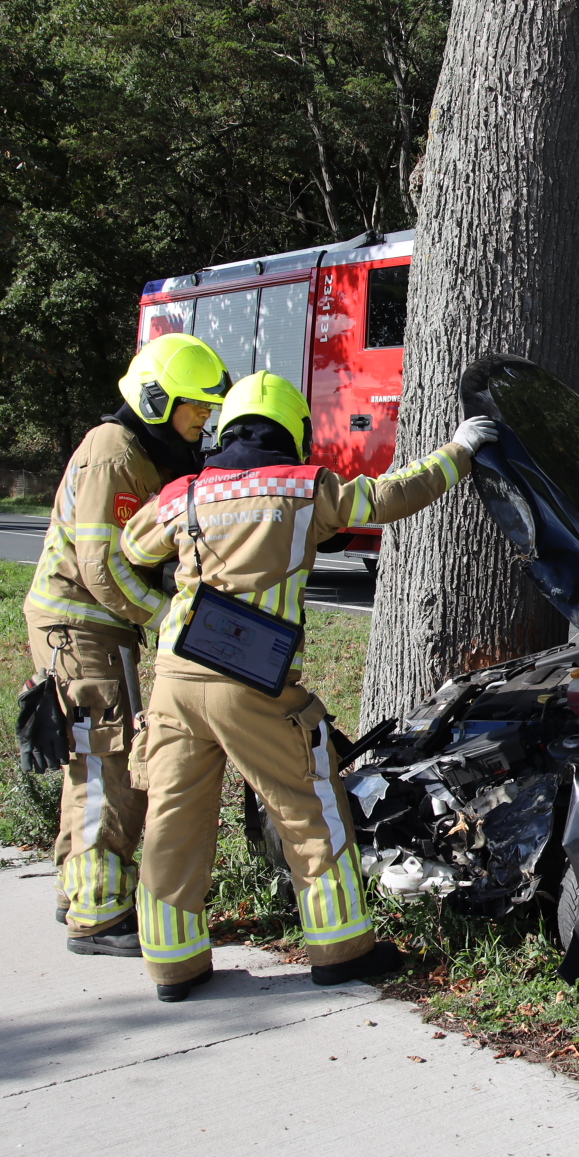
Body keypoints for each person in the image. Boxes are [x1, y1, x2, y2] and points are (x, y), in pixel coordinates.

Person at [119, 370, 495, 1002]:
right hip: (251, 680)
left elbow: (134, 545)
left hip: (175, 677)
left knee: (174, 818)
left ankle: (172, 965)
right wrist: (460, 450)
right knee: (309, 806)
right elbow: (387, 496)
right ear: (293, 429)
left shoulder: (184, 493)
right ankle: (342, 949)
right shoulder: (301, 487)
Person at [27, 332, 232, 955]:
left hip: (96, 626)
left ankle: (81, 889)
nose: (202, 421)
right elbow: (102, 568)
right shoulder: (114, 454)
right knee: (106, 759)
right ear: (154, 399)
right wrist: (172, 615)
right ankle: (99, 914)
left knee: (95, 756)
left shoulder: (139, 451)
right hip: (83, 624)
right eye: (193, 408)